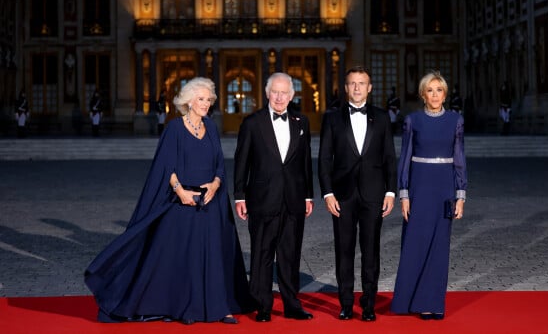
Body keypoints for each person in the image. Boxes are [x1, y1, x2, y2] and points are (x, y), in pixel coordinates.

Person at [85, 77, 255, 325]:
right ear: (188, 101)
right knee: (185, 258)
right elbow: (166, 166)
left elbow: (219, 163)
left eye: (209, 99)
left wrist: (217, 183)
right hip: (182, 203)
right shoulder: (174, 128)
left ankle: (222, 307)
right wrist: (180, 191)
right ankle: (185, 308)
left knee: (214, 256)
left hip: (211, 203)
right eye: (201, 99)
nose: (206, 103)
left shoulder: (212, 127)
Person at [318, 65, 397, 322]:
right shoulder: (332, 118)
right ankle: (346, 303)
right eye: (352, 83)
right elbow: (324, 160)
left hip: (374, 194)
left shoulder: (382, 117)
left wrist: (391, 191)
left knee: (371, 251)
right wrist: (327, 193)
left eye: (361, 83)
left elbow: (389, 158)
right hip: (342, 196)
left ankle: (369, 304)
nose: (357, 88)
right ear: (346, 87)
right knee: (344, 251)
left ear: (369, 87)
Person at [234, 72, 314, 323]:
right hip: (262, 198)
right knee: (262, 253)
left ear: (291, 96)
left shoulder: (302, 121)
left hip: (293, 198)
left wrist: (309, 196)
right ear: (267, 93)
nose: (279, 97)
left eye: (284, 93)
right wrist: (239, 196)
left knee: (290, 254)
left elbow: (305, 162)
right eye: (275, 92)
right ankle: (263, 305)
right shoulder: (252, 123)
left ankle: (292, 304)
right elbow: (241, 162)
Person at [390, 70, 467, 320]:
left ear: (445, 94)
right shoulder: (413, 120)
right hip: (418, 188)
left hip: (444, 188)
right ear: (423, 94)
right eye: (430, 90)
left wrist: (461, 195)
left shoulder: (456, 120)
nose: (435, 94)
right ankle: (410, 301)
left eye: (440, 90)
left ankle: (433, 302)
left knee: (439, 246)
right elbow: (404, 159)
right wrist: (404, 195)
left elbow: (459, 159)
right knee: (415, 244)